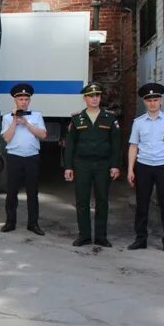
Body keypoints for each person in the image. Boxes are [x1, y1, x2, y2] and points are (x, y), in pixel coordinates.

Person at [63, 82, 121, 247]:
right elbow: (70, 145)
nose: (94, 98)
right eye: (91, 96)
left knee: (102, 200)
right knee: (82, 201)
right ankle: (85, 236)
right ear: (85, 98)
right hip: (82, 164)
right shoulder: (77, 118)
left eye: (97, 95)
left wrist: (115, 165)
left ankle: (101, 237)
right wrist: (68, 167)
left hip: (103, 165)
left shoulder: (110, 118)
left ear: (100, 97)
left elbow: (116, 144)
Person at [127, 82, 164, 255]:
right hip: (144, 167)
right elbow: (133, 146)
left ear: (161, 101)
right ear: (145, 102)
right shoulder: (138, 123)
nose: (152, 103)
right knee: (142, 205)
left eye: (155, 100)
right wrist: (130, 169)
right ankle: (140, 239)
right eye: (149, 100)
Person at [0, 83, 47, 235]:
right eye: (20, 99)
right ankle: (10, 222)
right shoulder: (7, 118)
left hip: (32, 157)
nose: (24, 102)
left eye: (26, 99)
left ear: (29, 101)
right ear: (15, 101)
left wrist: (26, 123)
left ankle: (33, 224)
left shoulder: (36, 116)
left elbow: (43, 135)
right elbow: (6, 138)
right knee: (11, 191)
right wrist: (15, 121)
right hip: (14, 157)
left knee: (32, 192)